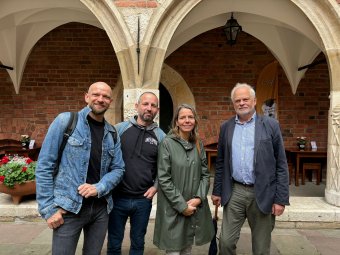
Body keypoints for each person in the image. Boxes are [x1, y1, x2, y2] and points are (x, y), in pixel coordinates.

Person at [36, 81, 125, 255]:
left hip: (100, 209)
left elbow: (118, 169)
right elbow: (45, 166)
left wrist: (99, 187)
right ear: (87, 97)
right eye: (96, 94)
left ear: (110, 101)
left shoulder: (112, 133)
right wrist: (48, 209)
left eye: (106, 96)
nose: (100, 99)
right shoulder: (66, 121)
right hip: (68, 208)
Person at [211, 83, 289, 255]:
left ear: (254, 101)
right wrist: (217, 191)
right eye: (237, 100)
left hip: (262, 191)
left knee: (261, 248)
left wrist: (281, 199)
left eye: (245, 99)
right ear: (233, 104)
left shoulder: (270, 125)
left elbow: (281, 164)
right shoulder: (226, 127)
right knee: (225, 242)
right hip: (235, 191)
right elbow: (221, 162)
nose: (241, 103)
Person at [107, 92, 166, 255]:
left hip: (143, 200)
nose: (149, 108)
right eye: (145, 104)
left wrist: (156, 187)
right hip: (118, 198)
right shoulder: (119, 129)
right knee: (113, 242)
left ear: (157, 110)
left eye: (153, 105)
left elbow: (165, 167)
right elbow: (106, 158)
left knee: (138, 242)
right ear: (137, 106)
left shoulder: (161, 137)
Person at [153, 104, 215, 255]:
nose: (187, 120)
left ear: (195, 120)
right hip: (174, 208)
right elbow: (164, 178)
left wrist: (199, 198)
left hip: (193, 206)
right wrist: (182, 206)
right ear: (176, 122)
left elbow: (205, 174)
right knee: (173, 251)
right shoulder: (167, 143)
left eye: (190, 117)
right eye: (183, 117)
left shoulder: (198, 144)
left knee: (187, 249)